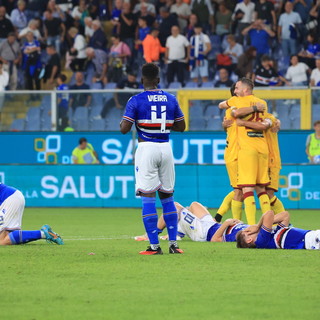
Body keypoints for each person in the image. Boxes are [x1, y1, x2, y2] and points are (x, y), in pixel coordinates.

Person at [120, 63, 186, 255]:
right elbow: (181, 127)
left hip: (146, 148)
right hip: (166, 148)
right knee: (168, 196)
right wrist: (163, 124)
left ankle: (154, 247)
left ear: (142, 80)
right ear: (158, 79)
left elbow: (124, 129)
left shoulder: (136, 100)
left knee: (148, 197)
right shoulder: (171, 99)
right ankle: (174, 245)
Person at [228, 78, 273, 224]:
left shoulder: (238, 102)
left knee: (246, 189)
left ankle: (251, 226)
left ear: (245, 90)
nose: (235, 91)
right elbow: (265, 125)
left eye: (237, 88)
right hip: (262, 148)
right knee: (261, 188)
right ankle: (268, 224)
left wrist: (242, 122)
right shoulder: (263, 103)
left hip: (247, 150)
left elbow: (233, 112)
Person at [236, 210, 320, 250]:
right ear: (249, 240)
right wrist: (258, 226)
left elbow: (285, 215)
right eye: (247, 231)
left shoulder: (273, 234)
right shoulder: (261, 241)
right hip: (311, 241)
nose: (250, 229)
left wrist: (260, 225)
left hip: (312, 235)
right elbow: (269, 213)